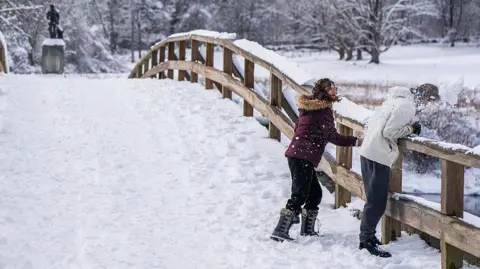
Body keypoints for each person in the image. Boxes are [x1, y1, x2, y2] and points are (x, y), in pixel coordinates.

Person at [270, 78, 362, 242]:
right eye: (330, 89)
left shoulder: (307, 107)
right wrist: (356, 141)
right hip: (302, 156)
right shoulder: (323, 111)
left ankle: (307, 230)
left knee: (314, 194)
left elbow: (299, 129)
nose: (334, 91)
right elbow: (333, 136)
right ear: (323, 93)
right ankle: (280, 229)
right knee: (299, 194)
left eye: (334, 87)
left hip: (298, 154)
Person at [358, 86, 421, 257]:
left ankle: (368, 236)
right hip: (378, 155)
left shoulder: (389, 104)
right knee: (376, 202)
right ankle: (366, 240)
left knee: (373, 200)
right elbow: (389, 131)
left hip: (368, 152)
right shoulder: (406, 106)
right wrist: (412, 129)